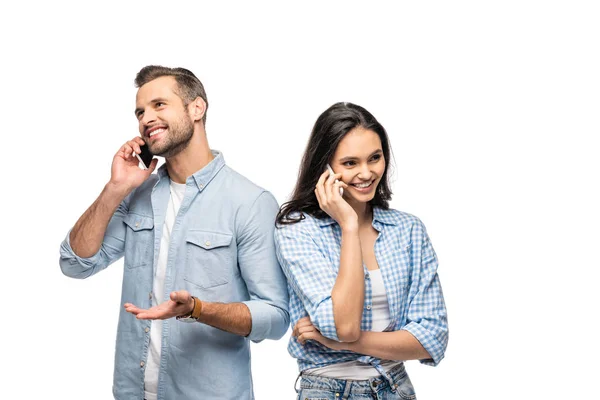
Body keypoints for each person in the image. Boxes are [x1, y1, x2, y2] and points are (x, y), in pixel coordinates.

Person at [59, 65, 289, 400]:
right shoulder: (138, 195)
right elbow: (75, 263)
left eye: (158, 105)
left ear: (197, 108)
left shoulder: (250, 202)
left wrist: (198, 309)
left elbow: (276, 316)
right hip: (132, 393)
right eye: (140, 111)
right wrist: (115, 187)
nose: (145, 118)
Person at [274, 102, 448, 399]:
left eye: (375, 158)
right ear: (324, 167)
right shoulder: (297, 229)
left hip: (395, 388)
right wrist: (349, 225)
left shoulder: (408, 230)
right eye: (350, 163)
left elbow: (432, 337)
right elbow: (344, 325)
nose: (366, 173)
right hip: (327, 390)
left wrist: (343, 345)